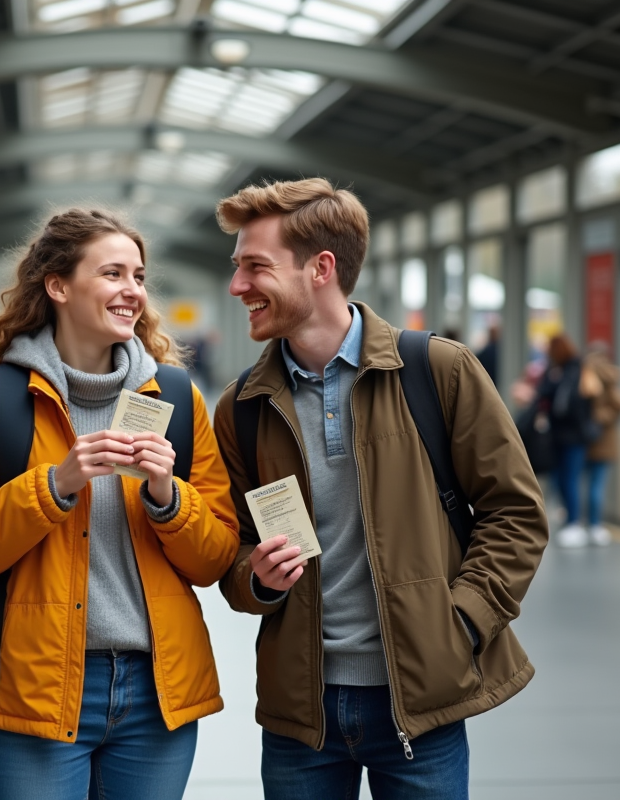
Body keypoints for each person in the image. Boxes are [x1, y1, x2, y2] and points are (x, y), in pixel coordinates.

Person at [212, 178, 548, 800]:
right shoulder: (243, 408)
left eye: (255, 267)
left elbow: (516, 513)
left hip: (421, 705)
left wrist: (464, 624)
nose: (238, 287)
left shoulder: (436, 370)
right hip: (300, 714)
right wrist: (254, 578)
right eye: (237, 269)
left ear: (321, 268)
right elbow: (230, 548)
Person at [0, 209, 239, 799]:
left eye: (139, 277)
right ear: (58, 285)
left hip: (157, 694)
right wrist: (53, 486)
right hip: (37, 687)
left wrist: (167, 499)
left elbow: (215, 559)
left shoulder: (177, 397)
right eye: (113, 273)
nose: (133, 292)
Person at [535, 333, 597, 548]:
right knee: (561, 478)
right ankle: (571, 519)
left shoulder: (573, 371)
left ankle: (574, 522)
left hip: (573, 436)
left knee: (569, 478)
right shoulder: (559, 371)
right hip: (562, 435)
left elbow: (569, 405)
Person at [580, 343, 620, 546]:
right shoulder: (610, 376)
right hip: (605, 436)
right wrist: (603, 417)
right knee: (597, 484)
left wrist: (592, 417)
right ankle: (595, 524)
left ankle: (578, 522)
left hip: (582, 436)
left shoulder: (585, 374)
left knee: (579, 481)